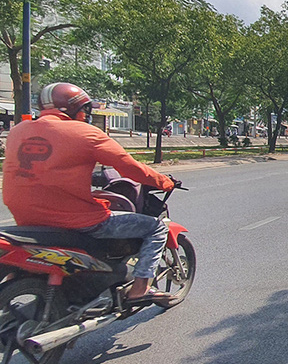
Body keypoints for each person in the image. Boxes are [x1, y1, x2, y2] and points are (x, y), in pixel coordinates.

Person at [2, 83, 176, 304]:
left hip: (28, 220)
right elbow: (130, 168)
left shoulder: (18, 131)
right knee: (156, 227)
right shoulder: (86, 133)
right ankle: (140, 288)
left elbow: (43, 169)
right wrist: (164, 182)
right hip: (77, 221)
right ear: (77, 110)